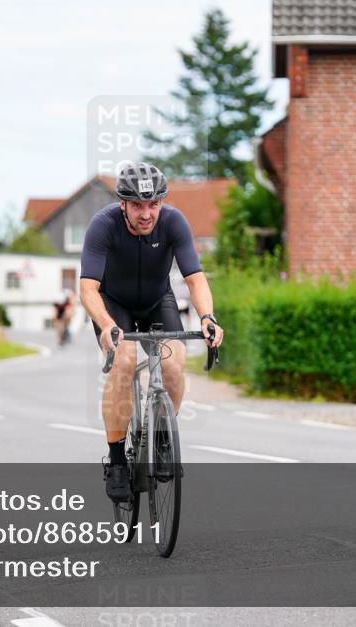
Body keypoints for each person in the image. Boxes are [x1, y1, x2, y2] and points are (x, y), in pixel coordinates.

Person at [79, 162, 224, 503]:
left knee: (174, 364)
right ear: (123, 205)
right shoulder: (103, 226)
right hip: (114, 305)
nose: (147, 213)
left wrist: (208, 317)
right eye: (138, 205)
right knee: (124, 361)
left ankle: (161, 438)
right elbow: (88, 289)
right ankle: (116, 459)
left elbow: (195, 278)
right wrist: (106, 325)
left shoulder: (174, 221)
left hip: (158, 300)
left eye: (154, 203)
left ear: (162, 202)